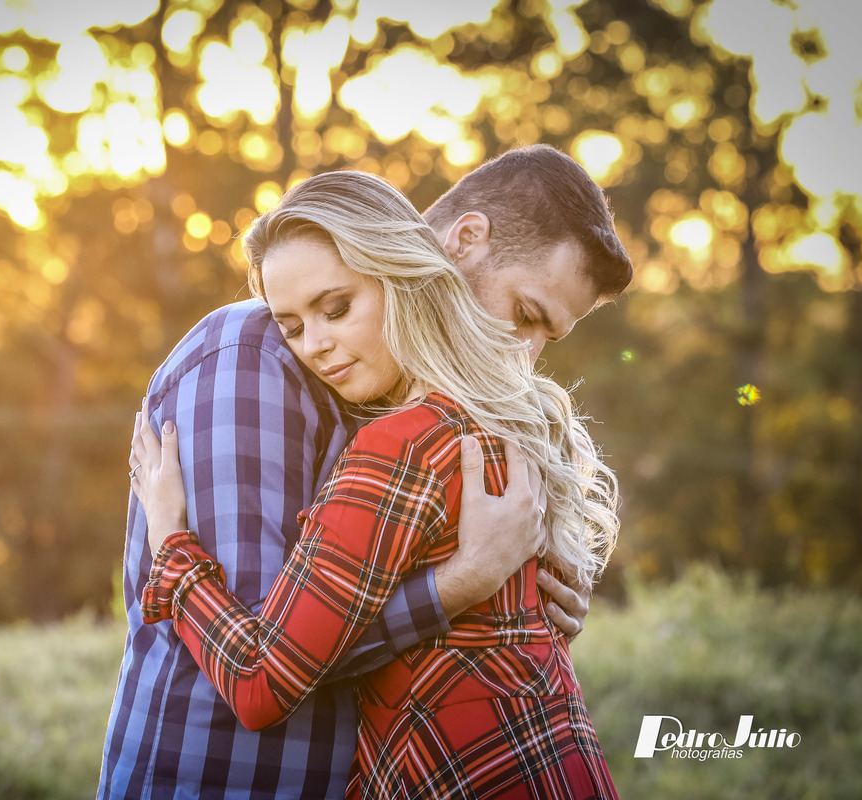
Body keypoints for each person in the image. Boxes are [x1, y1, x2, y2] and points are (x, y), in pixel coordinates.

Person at [99, 145, 632, 798]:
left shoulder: (433, 428)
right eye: (524, 313)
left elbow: (274, 666)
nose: (526, 352)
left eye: (335, 309)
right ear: (464, 240)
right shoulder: (254, 362)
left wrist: (529, 608)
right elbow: (269, 668)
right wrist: (459, 586)